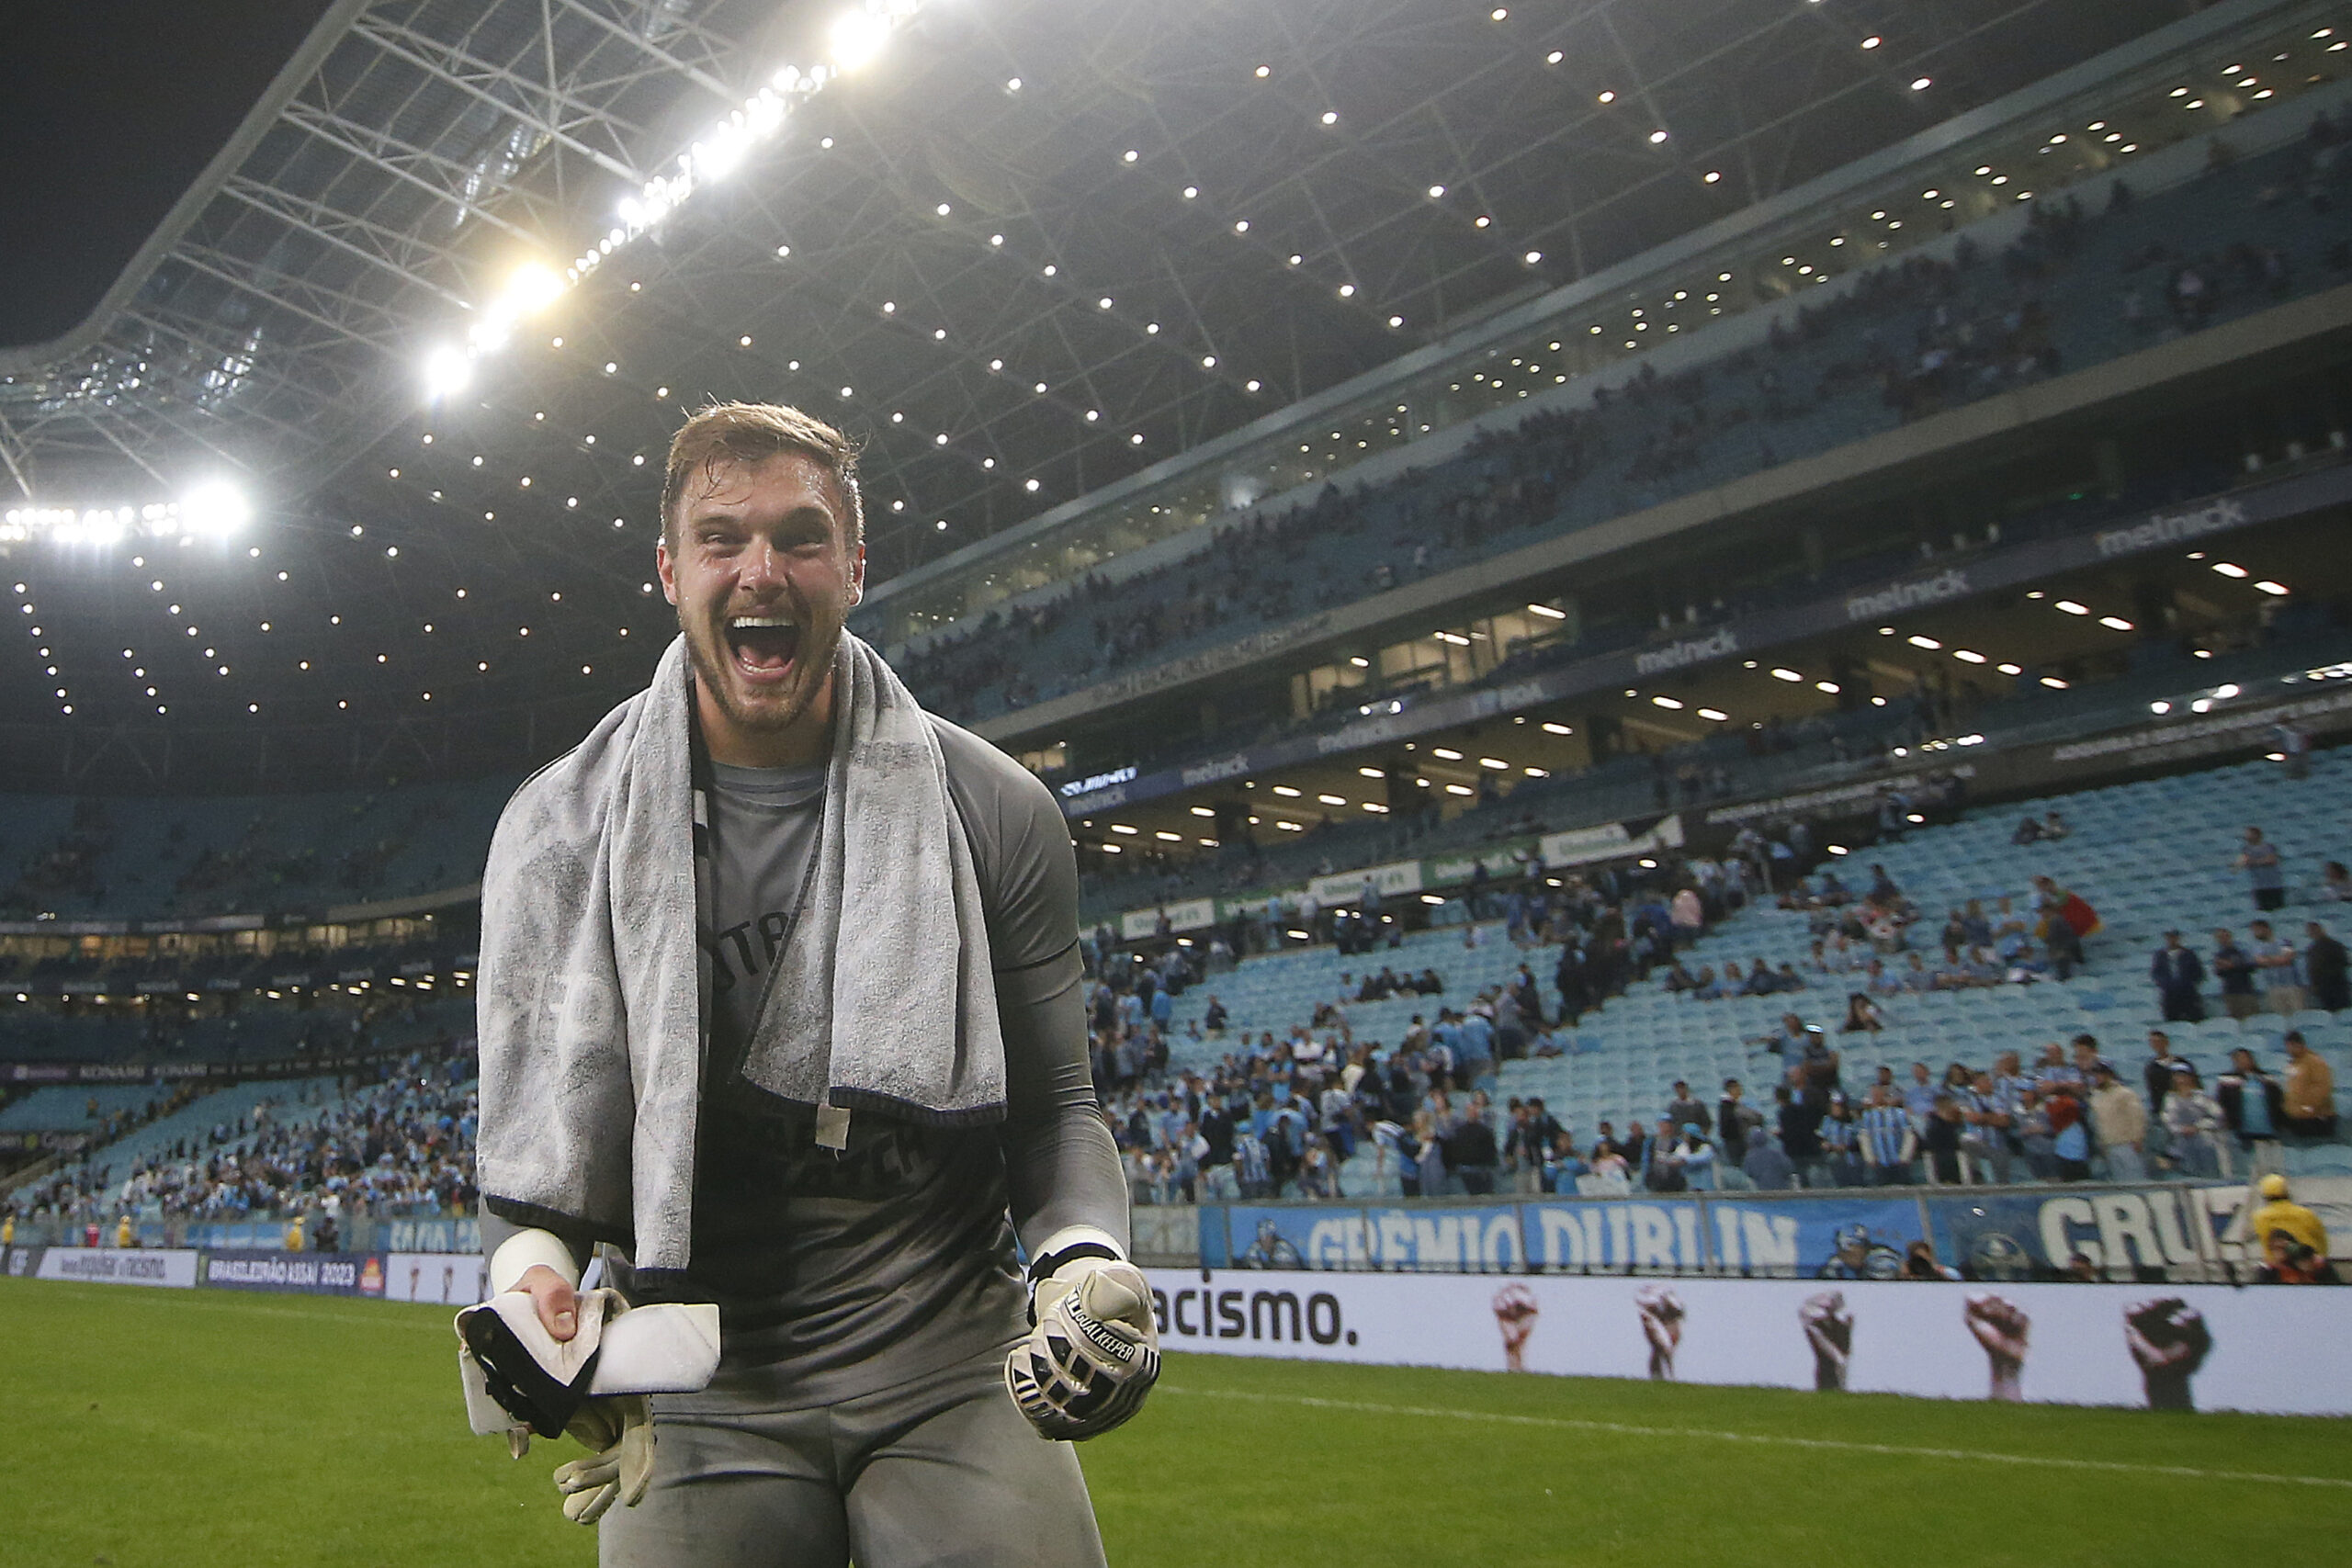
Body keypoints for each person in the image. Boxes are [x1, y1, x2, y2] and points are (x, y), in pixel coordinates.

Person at [470, 403, 1148, 1562]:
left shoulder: (995, 813)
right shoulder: (555, 832)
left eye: (801, 535)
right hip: (700, 1372)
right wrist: (531, 1279)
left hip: (952, 1353)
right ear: (670, 570)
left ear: (854, 568)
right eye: (723, 538)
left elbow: (1056, 1112)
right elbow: (538, 1153)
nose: (762, 571)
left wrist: (1085, 1260)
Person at [2217, 1047, 2288, 1179]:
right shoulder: (2227, 1080)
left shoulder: (2268, 1078)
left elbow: (2278, 1100)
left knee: (2271, 1168)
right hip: (2240, 1131)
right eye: (2239, 1059)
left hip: (2268, 1131)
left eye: (2245, 1058)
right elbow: (2222, 1102)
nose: (2243, 1062)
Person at [2161, 1066, 2229, 1179]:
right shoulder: (2170, 1099)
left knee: (2210, 1172)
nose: (2181, 1080)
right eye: (2177, 1076)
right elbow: (2168, 1121)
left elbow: (2217, 1116)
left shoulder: (2202, 1096)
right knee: (2188, 1173)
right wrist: (2182, 1129)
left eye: (2184, 1076)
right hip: (2181, 1141)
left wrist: (2198, 1126)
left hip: (2204, 1139)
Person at [2249, 1172, 2330, 1259]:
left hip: (2278, 1266)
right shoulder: (2305, 1213)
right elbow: (2321, 1239)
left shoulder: (2259, 1217)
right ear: (2286, 1192)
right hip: (2307, 1263)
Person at [2282, 1032, 2339, 1140]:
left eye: (2289, 1046)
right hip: (2299, 1118)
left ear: (2297, 1045)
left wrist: (2306, 1109)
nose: (2287, 1050)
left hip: (2316, 1119)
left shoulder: (2315, 1062)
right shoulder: (2293, 1064)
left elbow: (2321, 1089)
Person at [2247, 919, 2305, 1016]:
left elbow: (2287, 959)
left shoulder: (2284, 941)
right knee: (2280, 1016)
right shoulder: (2257, 947)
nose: (2255, 933)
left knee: (2298, 1014)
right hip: (2273, 986)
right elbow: (2259, 961)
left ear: (2265, 929)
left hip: (2291, 984)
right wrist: (2277, 959)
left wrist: (2269, 960)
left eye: (2257, 930)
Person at [2148, 931, 2206, 1024]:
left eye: (2174, 937)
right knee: (2172, 1021)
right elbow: (2156, 973)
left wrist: (2188, 983)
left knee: (2195, 1019)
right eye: (2169, 937)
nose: (2172, 939)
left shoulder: (2189, 954)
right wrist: (2166, 984)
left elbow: (2198, 972)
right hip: (2169, 994)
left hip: (2188, 993)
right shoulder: (2160, 955)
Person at [2211, 927, 2259, 1020]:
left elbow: (2251, 966)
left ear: (2230, 937)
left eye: (2225, 936)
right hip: (2230, 991)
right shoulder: (2219, 955)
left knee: (2251, 1017)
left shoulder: (2241, 951)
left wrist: (2232, 965)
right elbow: (2218, 972)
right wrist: (2223, 967)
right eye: (2220, 937)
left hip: (2245, 990)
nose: (2223, 939)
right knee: (2235, 1018)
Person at [2235, 827, 2287, 912]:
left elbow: (2271, 860)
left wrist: (2254, 862)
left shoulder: (2268, 847)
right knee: (2263, 911)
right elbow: (2241, 863)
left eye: (2249, 834)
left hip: (2274, 885)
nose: (2246, 837)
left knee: (2279, 909)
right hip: (2259, 887)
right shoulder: (2245, 849)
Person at [2307, 919, 2350, 1012]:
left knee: (2342, 1011)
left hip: (2337, 985)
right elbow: (2312, 969)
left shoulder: (2335, 945)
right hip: (2323, 988)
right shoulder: (2312, 948)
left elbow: (2344, 962)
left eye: (2313, 930)